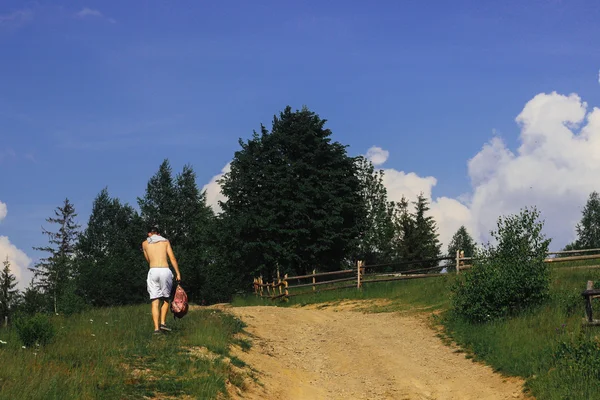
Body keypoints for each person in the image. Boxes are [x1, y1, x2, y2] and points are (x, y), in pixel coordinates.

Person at [142, 226, 182, 335]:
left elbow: (148, 259)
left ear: (150, 233)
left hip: (153, 270)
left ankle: (156, 329)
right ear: (158, 234)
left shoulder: (145, 244)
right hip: (165, 270)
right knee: (165, 299)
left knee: (155, 301)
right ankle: (163, 323)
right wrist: (178, 273)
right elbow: (172, 258)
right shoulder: (165, 241)